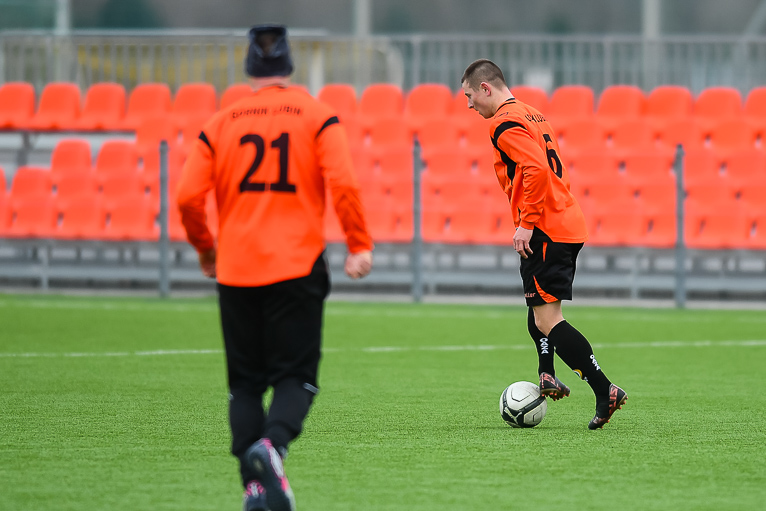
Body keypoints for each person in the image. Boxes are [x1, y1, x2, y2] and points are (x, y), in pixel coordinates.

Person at [177, 24, 373, 511]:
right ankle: (273, 447)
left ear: (250, 69)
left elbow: (186, 197)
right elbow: (344, 184)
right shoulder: (317, 116)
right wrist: (357, 243)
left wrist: (206, 250)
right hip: (296, 264)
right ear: (289, 67)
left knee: (244, 385)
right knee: (296, 378)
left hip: (235, 268)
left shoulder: (220, 122)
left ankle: (255, 490)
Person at [460, 59, 627, 430]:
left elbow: (535, 169)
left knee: (549, 319)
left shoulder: (502, 122)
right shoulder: (532, 114)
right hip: (564, 221)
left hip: (546, 227)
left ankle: (605, 389)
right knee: (538, 308)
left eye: (470, 95)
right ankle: (546, 372)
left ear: (486, 88)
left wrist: (527, 223)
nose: (469, 104)